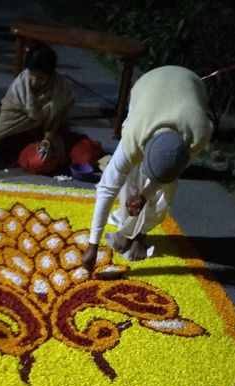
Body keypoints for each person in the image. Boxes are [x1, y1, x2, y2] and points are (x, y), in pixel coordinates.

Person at [82, 65, 214, 267]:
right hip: (148, 87)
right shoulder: (134, 135)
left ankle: (140, 235)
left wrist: (145, 195)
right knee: (129, 178)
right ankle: (128, 230)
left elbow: (166, 176)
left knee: (166, 191)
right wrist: (93, 245)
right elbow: (107, 189)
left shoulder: (199, 134)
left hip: (190, 87)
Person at [0, 42, 74, 173]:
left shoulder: (60, 89)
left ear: (50, 75)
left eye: (41, 78)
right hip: (17, 138)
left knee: (79, 154)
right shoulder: (19, 88)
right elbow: (2, 125)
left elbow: (54, 123)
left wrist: (47, 141)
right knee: (39, 162)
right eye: (32, 75)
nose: (34, 81)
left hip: (46, 136)